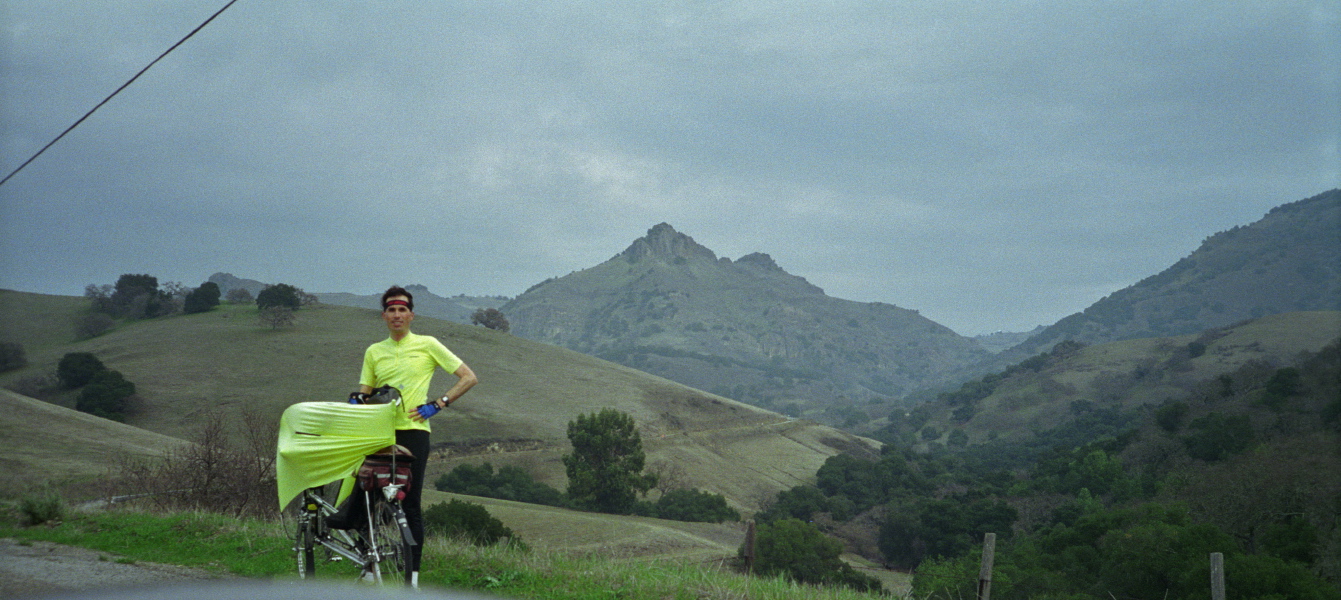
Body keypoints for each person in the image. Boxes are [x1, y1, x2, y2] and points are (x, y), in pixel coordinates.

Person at [351, 285, 477, 587]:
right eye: (392, 310)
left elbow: (469, 377)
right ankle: (370, 567)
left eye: (402, 310)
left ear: (411, 315)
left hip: (414, 433)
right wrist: (357, 400)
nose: (397, 315)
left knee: (410, 504)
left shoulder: (428, 344)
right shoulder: (374, 351)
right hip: (378, 433)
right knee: (367, 500)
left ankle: (413, 580)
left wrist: (438, 404)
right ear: (384, 316)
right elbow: (364, 392)